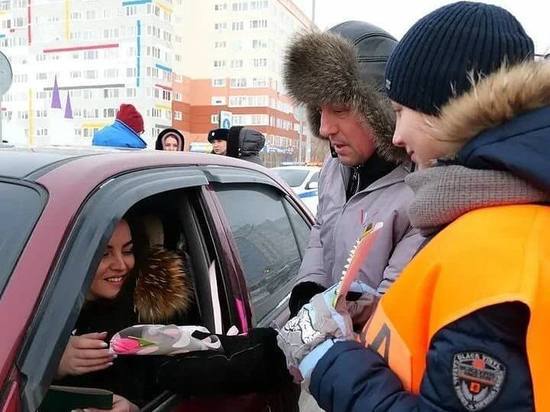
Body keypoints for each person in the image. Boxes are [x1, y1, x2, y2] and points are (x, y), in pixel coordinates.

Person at [279, 2, 550, 411]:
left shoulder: (489, 248)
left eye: (402, 111)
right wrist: (367, 309)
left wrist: (330, 360)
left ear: (449, 109)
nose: (398, 134)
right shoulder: (473, 217)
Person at [283, 21, 424, 316]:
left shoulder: (418, 194)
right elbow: (322, 232)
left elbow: (390, 310)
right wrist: (308, 287)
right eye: (319, 109)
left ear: (380, 111)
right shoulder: (334, 169)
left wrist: (335, 314)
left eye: (340, 109)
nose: (324, 128)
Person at [55, 219, 194, 409]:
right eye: (104, 254)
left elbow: (172, 390)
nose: (121, 265)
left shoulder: (151, 315)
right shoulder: (34, 313)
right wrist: (52, 363)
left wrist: (133, 408)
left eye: (128, 251)